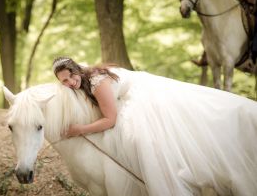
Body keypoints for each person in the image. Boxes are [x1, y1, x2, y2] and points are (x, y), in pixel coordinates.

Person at [53, 57, 257, 196]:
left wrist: (79, 130)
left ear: (77, 69)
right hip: (135, 93)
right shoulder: (83, 82)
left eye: (71, 76)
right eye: (65, 81)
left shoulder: (97, 81)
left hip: (144, 98)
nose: (70, 82)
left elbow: (110, 119)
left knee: (143, 138)